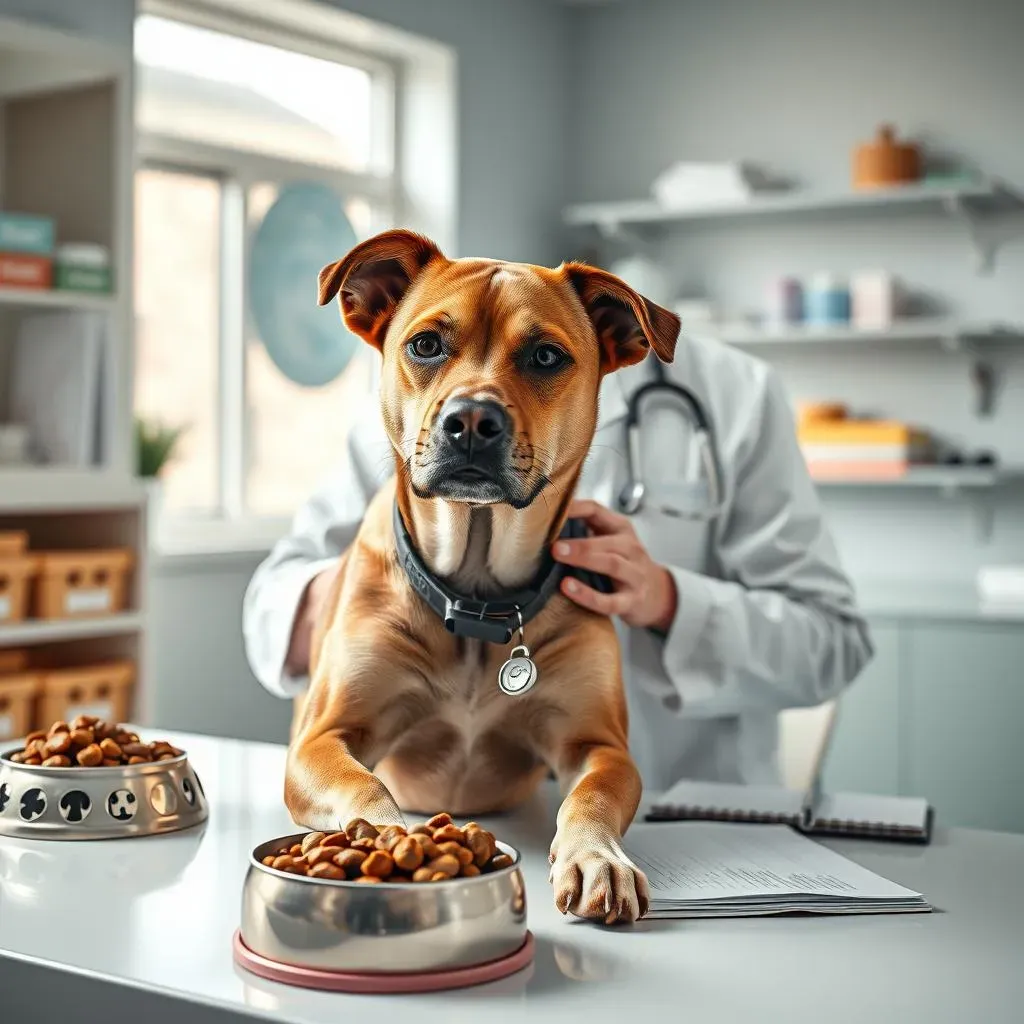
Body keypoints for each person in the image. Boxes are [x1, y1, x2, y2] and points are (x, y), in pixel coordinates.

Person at [243, 336, 873, 791]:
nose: (482, 402)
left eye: (544, 357)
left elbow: (835, 643)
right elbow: (272, 607)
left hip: (673, 833)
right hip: (432, 836)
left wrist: (665, 601)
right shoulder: (426, 390)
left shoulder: (734, 391)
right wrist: (366, 582)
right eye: (436, 346)